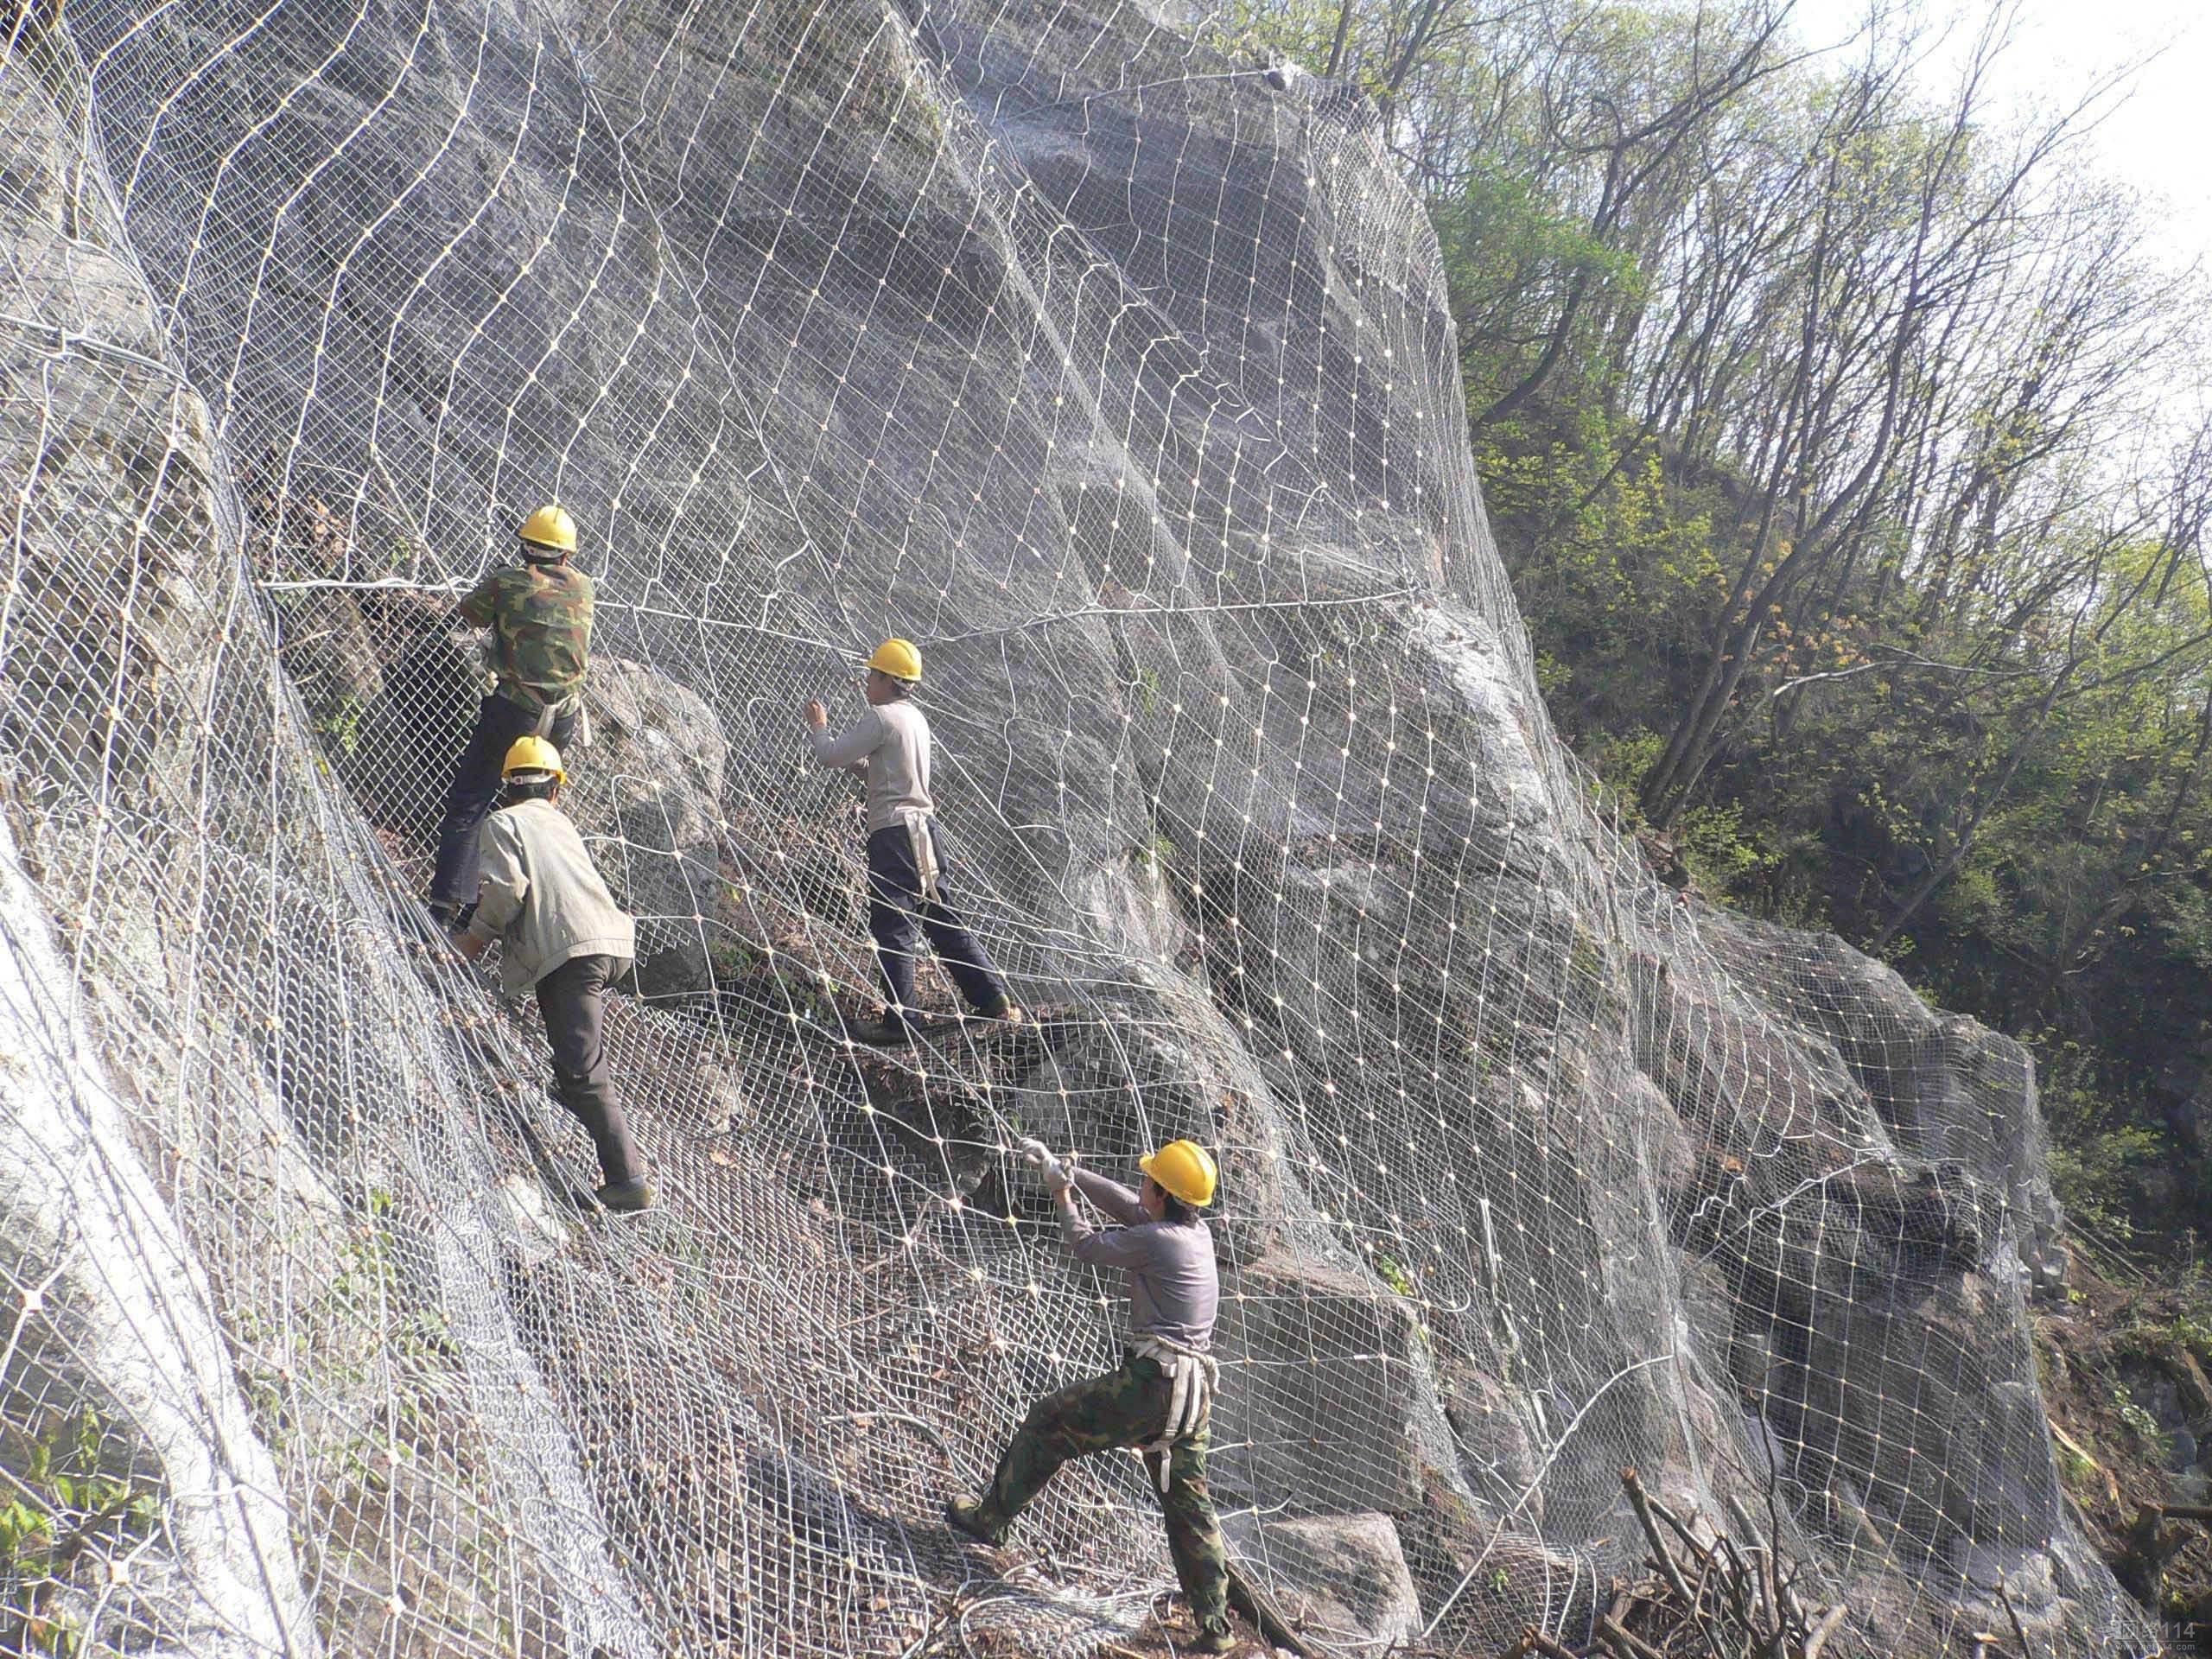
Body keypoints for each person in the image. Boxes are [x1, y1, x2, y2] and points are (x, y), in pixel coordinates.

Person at [945, 1139, 1231, 1656]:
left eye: (1149, 1180)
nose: (1141, 1184)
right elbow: (1130, 1204)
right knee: (1189, 1506)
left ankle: (990, 1520)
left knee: (1048, 1423)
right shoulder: (1196, 1233)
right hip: (1194, 1398)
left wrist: (1062, 1195)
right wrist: (1070, 1171)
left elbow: (1087, 1245)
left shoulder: (1159, 1241)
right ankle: (1215, 1626)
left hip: (1153, 1386)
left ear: (1164, 1195)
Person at [454, 736, 654, 1213]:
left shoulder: (502, 822)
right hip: (599, 942)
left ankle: (628, 1181)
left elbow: (508, 891)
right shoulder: (560, 822)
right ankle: (571, 1102)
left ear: (507, 788)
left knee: (584, 1072)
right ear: (555, 790)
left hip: (570, 953)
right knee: (571, 1067)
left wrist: (472, 942)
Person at [801, 639, 1021, 1044]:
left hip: (893, 836)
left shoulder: (880, 717)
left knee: (894, 926)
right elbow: (881, 771)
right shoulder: (914, 719)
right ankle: (992, 997)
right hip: (925, 831)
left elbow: (829, 755)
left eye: (873, 674)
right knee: (942, 918)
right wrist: (857, 762)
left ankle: (901, 1022)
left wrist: (819, 726)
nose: (867, 680)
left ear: (888, 680)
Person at [428, 504, 594, 927]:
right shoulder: (584, 588)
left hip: (514, 711)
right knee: (535, 814)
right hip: (562, 720)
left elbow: (469, 614)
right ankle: (526, 917)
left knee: (472, 800)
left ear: (525, 546)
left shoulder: (508, 582)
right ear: (567, 556)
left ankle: (448, 909)